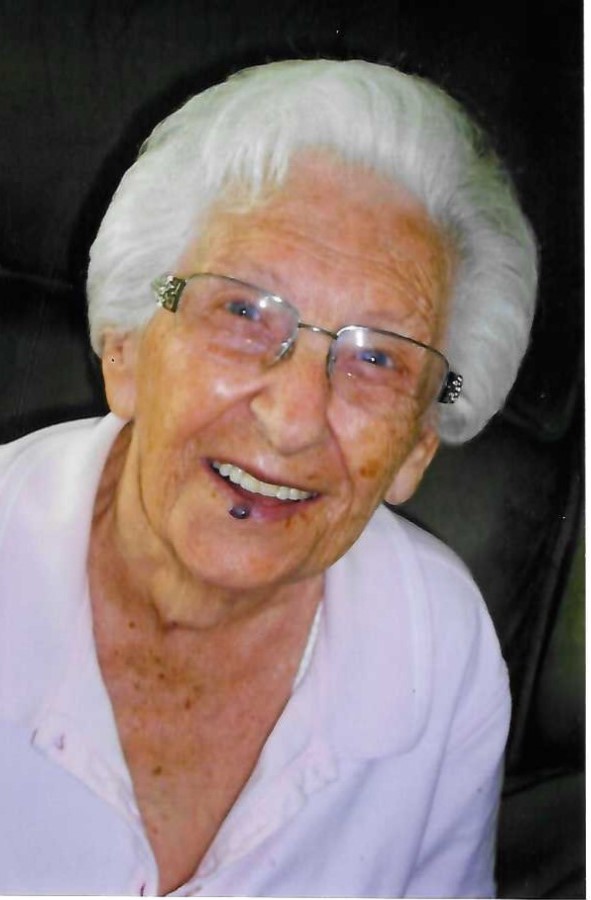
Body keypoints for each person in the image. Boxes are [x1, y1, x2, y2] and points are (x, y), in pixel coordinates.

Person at [0, 59, 537, 896]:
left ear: (417, 448)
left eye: (378, 360)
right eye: (243, 311)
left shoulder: (438, 648)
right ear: (127, 348)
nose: (292, 418)